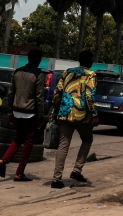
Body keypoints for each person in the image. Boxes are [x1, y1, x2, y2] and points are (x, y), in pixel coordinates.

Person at [50, 49, 98, 189]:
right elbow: (89, 96)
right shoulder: (91, 75)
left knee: (63, 144)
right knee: (87, 139)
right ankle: (77, 170)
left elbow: (57, 93)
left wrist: (56, 110)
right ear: (89, 61)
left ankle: (56, 179)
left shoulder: (67, 72)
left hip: (64, 113)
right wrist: (94, 114)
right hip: (82, 115)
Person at [0, 48, 46, 182]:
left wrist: (9, 111)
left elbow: (10, 93)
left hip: (17, 111)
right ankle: (19, 173)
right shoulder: (38, 75)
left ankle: (3, 160)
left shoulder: (17, 72)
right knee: (29, 142)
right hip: (30, 113)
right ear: (38, 60)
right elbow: (39, 98)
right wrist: (41, 117)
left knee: (18, 138)